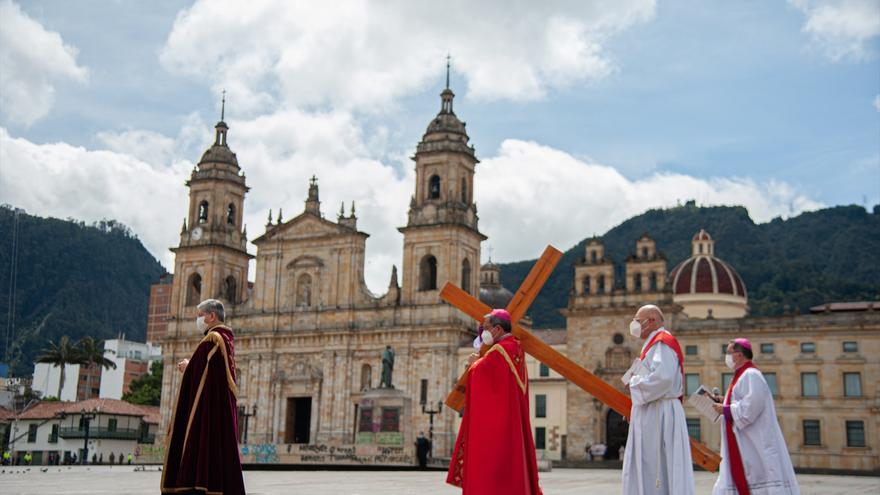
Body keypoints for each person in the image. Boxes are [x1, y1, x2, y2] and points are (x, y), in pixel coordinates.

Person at [447, 309, 543, 494]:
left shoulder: (499, 352)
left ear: (498, 329)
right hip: (511, 424)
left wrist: (472, 363)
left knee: (491, 472)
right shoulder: (515, 348)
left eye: (485, 328)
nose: (482, 332)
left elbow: (478, 375)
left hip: (496, 429)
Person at [161, 299, 245, 495]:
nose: (198, 319)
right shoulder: (226, 339)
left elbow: (204, 371)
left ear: (212, 316)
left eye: (200, 315)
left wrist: (188, 367)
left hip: (209, 411)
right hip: (217, 409)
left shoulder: (213, 339)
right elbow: (212, 373)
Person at [711, 339, 800, 495]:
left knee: (757, 479)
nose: (726, 357)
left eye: (728, 352)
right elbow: (742, 400)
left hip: (754, 442)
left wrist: (725, 409)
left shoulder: (751, 374)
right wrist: (723, 401)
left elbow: (751, 408)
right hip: (744, 440)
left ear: (738, 355)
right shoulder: (741, 375)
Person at [623, 304, 695, 495]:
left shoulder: (662, 343)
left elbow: (663, 378)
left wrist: (633, 383)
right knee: (651, 464)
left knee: (657, 466)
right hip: (653, 411)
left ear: (652, 321)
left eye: (638, 321)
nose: (634, 325)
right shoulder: (653, 345)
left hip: (659, 414)